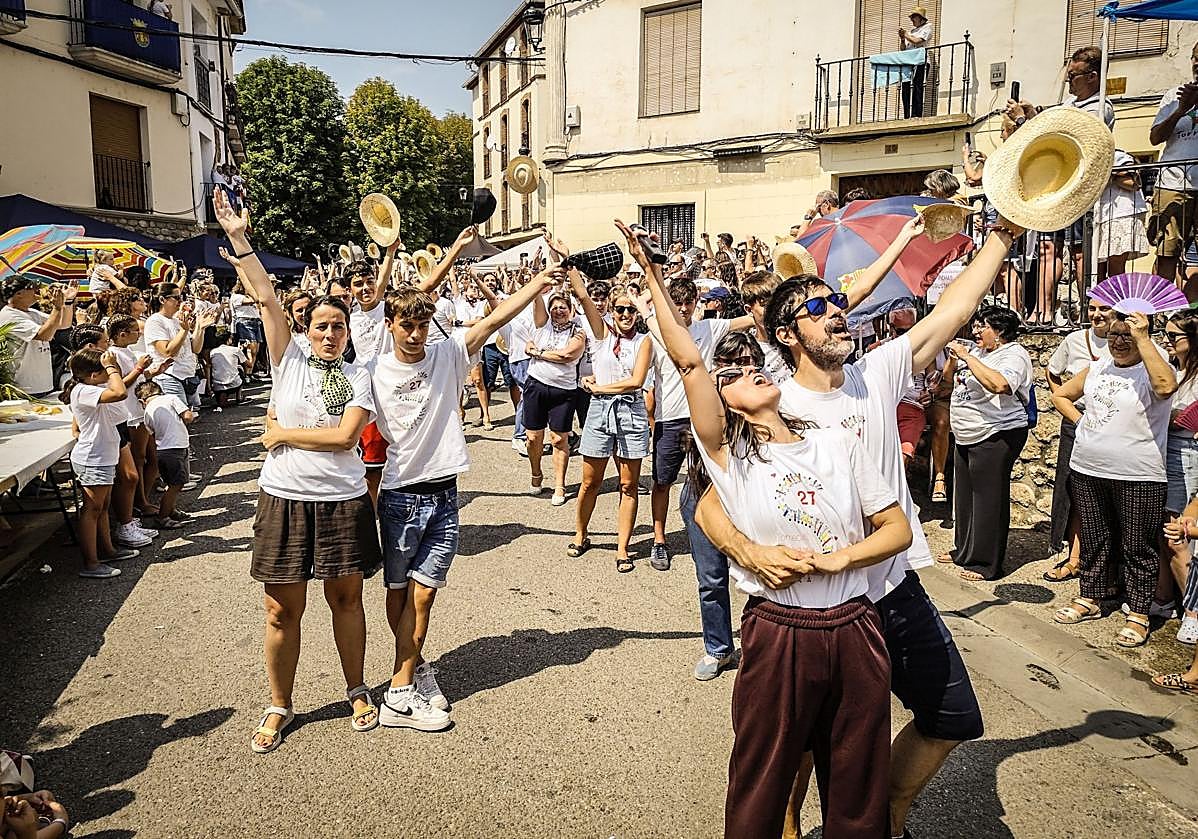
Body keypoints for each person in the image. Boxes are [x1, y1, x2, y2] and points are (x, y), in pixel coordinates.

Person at [693, 219, 1022, 839]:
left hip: (890, 588)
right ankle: (790, 821)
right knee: (802, 739)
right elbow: (711, 500)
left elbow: (956, 307)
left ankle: (888, 815)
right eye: (818, 308)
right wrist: (748, 549)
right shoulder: (775, 400)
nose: (837, 312)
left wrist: (1007, 228)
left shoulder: (880, 370)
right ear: (788, 335)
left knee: (953, 714)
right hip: (811, 606)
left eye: (839, 302)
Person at [618, 218, 912, 839]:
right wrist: (651, 275)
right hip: (779, 630)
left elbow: (896, 531)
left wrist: (840, 562)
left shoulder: (836, 441)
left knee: (858, 783)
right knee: (762, 777)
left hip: (857, 625)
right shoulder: (732, 459)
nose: (751, 372)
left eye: (755, 367)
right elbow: (689, 360)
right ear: (722, 405)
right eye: (735, 377)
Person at [213, 189, 383, 754]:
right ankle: (280, 704)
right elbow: (264, 295)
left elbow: (344, 439)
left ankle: (356, 688)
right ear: (306, 330)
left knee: (346, 601)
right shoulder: (288, 360)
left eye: (339, 326)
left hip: (341, 499)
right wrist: (239, 238)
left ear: (349, 332)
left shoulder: (358, 377)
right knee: (281, 608)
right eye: (321, 325)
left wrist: (282, 432)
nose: (330, 333)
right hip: (283, 496)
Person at [371, 266, 563, 731]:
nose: (416, 335)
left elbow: (494, 321)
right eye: (406, 326)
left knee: (425, 595)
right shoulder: (372, 370)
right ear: (389, 325)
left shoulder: (447, 354)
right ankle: (408, 675)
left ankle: (403, 681)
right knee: (400, 594)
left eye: (422, 325)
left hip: (444, 493)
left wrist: (539, 284)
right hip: (398, 495)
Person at [1051, 312, 1176, 648]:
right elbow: (1060, 394)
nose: (1119, 341)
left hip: (1139, 473)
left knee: (1138, 546)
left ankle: (1138, 614)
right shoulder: (1100, 365)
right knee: (1094, 538)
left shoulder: (1154, 365)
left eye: (1127, 335)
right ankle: (1089, 598)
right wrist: (1083, 423)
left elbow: (1166, 388)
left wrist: (1144, 338)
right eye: (1115, 334)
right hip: (1088, 467)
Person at [565, 268, 653, 571]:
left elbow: (637, 381)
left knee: (628, 484)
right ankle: (581, 533)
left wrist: (599, 387)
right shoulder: (601, 335)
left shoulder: (644, 341)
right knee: (590, 481)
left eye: (631, 309)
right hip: (601, 411)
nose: (626, 313)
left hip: (629, 409)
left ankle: (622, 547)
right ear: (612, 310)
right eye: (620, 308)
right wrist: (568, 263)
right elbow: (583, 296)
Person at [941, 306, 1032, 581]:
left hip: (997, 433)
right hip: (967, 433)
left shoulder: (1014, 355)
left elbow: (1000, 385)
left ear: (1001, 331)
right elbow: (947, 383)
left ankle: (986, 563)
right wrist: (954, 361)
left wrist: (968, 356)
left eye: (983, 326)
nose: (976, 330)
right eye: (976, 325)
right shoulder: (980, 353)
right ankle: (965, 550)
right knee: (965, 496)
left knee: (988, 499)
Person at [1044, 299, 1116, 582]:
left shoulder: (1125, 344)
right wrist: (1068, 405)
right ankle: (1073, 558)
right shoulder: (1074, 340)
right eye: (1092, 309)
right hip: (1079, 421)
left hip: (1112, 426)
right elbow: (1053, 371)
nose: (1097, 315)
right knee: (1073, 489)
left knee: (1107, 495)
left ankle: (1104, 564)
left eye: (1104, 309)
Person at [61, 348, 139, 578]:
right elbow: (120, 393)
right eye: (104, 370)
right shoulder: (83, 390)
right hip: (93, 458)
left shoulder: (88, 388)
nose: (110, 372)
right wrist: (112, 367)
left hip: (101, 456)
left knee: (102, 508)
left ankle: (108, 550)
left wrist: (111, 368)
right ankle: (91, 563)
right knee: (92, 509)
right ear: (94, 375)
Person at [523, 289, 586, 506]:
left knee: (559, 439)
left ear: (571, 310)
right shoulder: (543, 324)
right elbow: (536, 296)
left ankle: (560, 484)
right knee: (533, 437)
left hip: (563, 391)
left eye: (563, 307)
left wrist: (537, 352)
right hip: (536, 385)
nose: (558, 311)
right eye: (555, 307)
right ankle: (536, 472)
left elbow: (568, 355)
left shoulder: (579, 331)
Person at [1148, 41, 1198, 297]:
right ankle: (1158, 311)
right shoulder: (1173, 95)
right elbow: (1155, 138)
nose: (1197, 64)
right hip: (1172, 184)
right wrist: (1181, 110)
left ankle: (1192, 315)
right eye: (1194, 58)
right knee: (1167, 252)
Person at [1163, 311, 1198, 644]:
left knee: (1179, 535)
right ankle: (1172, 602)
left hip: (1186, 455)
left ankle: (1192, 612)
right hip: (1166, 451)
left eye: (1175, 335)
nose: (1168, 339)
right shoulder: (1175, 369)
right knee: (1170, 533)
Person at [0, 277, 75, 398]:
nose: (37, 289)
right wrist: (57, 308)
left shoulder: (31, 312)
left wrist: (68, 301)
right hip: (24, 389)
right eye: (31, 287)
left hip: (42, 385)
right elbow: (45, 335)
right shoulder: (9, 315)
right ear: (18, 294)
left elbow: (63, 324)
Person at [144, 283, 213, 407]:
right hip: (169, 376)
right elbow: (167, 352)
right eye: (176, 297)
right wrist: (184, 330)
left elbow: (195, 349)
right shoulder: (155, 321)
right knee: (180, 418)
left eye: (181, 297)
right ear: (162, 300)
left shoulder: (177, 320)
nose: (180, 301)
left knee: (192, 416)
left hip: (188, 375)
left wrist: (200, 328)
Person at [137, 380, 195, 528]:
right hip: (177, 447)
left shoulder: (147, 412)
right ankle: (162, 516)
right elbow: (188, 416)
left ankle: (170, 509)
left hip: (162, 450)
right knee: (177, 484)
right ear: (160, 391)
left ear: (142, 401)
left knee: (172, 483)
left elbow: (151, 431)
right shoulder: (171, 398)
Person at [1093, 151, 1149, 285]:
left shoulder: (1119, 155)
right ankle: (1101, 302)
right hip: (1100, 216)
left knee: (1116, 266)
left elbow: (1133, 183)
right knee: (1097, 268)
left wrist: (1109, 173)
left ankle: (1116, 302)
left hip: (1121, 214)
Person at [899, 6, 933, 118]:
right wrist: (903, 39)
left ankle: (916, 114)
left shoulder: (927, 27)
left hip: (921, 62)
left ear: (920, 18)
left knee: (918, 87)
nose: (912, 20)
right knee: (905, 88)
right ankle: (907, 115)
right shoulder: (912, 32)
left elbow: (917, 42)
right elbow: (903, 49)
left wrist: (906, 35)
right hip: (909, 62)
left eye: (913, 17)